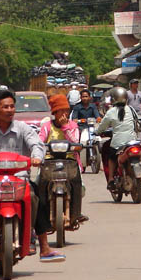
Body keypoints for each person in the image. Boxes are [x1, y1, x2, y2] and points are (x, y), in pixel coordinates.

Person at [0, 89, 64, 263]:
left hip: (19, 178)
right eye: (5, 107)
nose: (10, 110)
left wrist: (37, 157)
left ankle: (42, 244)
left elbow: (36, 144)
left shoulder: (23, 128)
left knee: (34, 197)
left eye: (12, 106)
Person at [39, 94, 88, 226]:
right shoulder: (47, 126)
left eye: (66, 110)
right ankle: (41, 218)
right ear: (55, 112)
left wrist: (66, 128)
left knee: (76, 185)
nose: (64, 113)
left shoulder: (73, 126)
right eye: (61, 111)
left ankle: (76, 214)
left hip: (69, 162)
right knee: (40, 186)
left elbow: (75, 142)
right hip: (49, 162)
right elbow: (39, 142)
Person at [96, 87, 141, 189]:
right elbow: (138, 122)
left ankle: (111, 179)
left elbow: (102, 127)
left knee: (111, 157)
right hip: (133, 141)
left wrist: (97, 132)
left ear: (113, 99)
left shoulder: (111, 112)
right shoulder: (131, 109)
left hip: (118, 143)